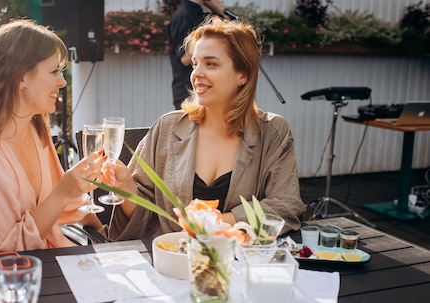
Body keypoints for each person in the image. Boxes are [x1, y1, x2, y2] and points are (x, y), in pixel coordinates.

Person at [105, 16, 306, 241]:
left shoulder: (273, 132)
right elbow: (144, 215)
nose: (196, 74)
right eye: (195, 63)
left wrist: (216, 222)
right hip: (172, 261)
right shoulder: (167, 127)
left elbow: (286, 205)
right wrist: (127, 188)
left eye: (211, 64)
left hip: (238, 263)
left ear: (243, 74)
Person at [0, 19, 106, 257]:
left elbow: (63, 206)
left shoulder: (36, 130)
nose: (63, 82)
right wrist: (62, 192)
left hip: (41, 263)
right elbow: (5, 253)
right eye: (54, 71)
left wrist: (106, 235)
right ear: (21, 77)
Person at [168, 0, 227, 110]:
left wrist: (215, 5)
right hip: (189, 94)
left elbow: (228, 18)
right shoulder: (184, 14)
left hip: (205, 92)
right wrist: (207, 32)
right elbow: (185, 58)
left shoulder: (197, 12)